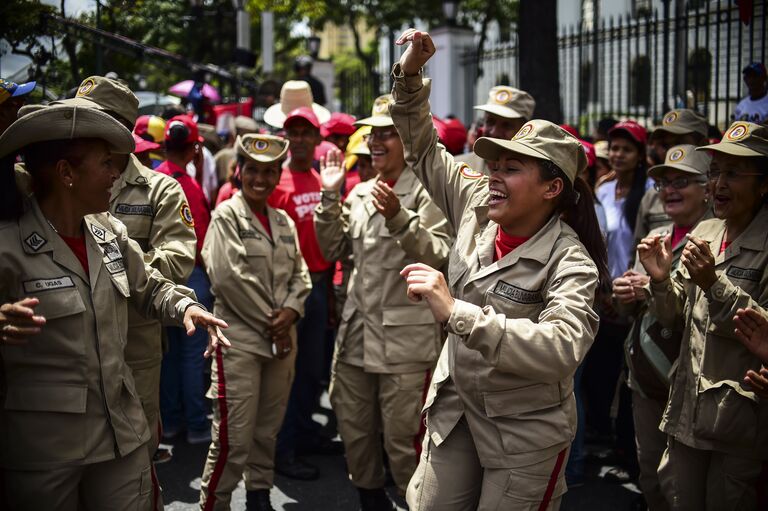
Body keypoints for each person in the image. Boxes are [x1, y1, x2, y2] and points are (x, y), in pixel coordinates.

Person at [390, 29, 607, 510]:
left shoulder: (570, 259)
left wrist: (457, 312)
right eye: (495, 163)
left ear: (552, 189)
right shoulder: (475, 203)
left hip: (524, 433)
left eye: (512, 168)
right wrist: (409, 75)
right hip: (457, 412)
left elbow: (562, 347)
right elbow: (424, 148)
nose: (493, 175)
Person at [0, 104, 228, 511]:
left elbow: (150, 287)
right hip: (45, 451)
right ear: (66, 174)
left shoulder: (109, 231)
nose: (115, 174)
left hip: (122, 432)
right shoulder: (8, 246)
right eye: (105, 163)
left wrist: (186, 307)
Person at [315, 94, 452, 510]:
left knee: (404, 442)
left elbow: (440, 254)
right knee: (355, 433)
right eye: (372, 133)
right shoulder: (360, 193)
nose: (375, 141)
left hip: (405, 344)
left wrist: (399, 217)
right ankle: (370, 500)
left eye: (387, 133)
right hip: (357, 337)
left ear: (408, 139)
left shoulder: (427, 192)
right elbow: (333, 248)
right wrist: (329, 197)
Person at [638, 121, 768, 510]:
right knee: (674, 496)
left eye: (734, 173)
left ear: (764, 185)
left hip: (735, 418)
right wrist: (660, 280)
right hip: (687, 410)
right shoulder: (708, 229)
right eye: (715, 173)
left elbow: (760, 330)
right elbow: (674, 317)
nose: (719, 184)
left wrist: (714, 283)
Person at [199, 134, 312, 511]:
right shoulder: (225, 216)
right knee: (233, 437)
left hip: (281, 340)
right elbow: (228, 277)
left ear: (277, 175)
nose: (260, 179)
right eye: (252, 171)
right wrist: (275, 319)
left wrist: (292, 311)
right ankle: (214, 502)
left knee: (268, 428)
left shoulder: (282, 220)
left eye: (268, 172)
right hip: (240, 342)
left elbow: (301, 274)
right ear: (238, 172)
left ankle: (259, 494)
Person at [613, 145, 712, 511]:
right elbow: (637, 312)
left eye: (681, 181)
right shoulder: (660, 235)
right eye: (664, 182)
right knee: (651, 478)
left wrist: (655, 285)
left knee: (681, 489)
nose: (669, 190)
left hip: (684, 381)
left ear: (707, 187)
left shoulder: (716, 238)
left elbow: (682, 315)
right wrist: (626, 292)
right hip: (645, 381)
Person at [268, 106, 336, 480]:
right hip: (288, 288)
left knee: (312, 371)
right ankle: (284, 449)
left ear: (316, 138)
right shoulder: (275, 183)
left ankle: (305, 433)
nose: (298, 140)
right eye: (292, 133)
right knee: (286, 373)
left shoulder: (322, 180)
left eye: (305, 133)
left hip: (321, 284)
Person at [587, 120, 649, 475]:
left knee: (631, 373)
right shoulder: (604, 188)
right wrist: (602, 288)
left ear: (640, 155)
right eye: (614, 148)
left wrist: (623, 289)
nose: (618, 154)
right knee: (601, 368)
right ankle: (603, 436)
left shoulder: (652, 190)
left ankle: (628, 450)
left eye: (627, 149)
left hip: (633, 292)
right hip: (603, 292)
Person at [156, 114, 215, 445]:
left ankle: (173, 420)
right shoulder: (188, 186)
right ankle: (195, 423)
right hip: (191, 275)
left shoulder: (154, 178)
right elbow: (202, 243)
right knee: (193, 355)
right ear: (193, 149)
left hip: (159, 279)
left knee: (168, 354)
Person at [635, 109, 709, 244]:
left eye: (680, 142)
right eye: (665, 145)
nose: (672, 151)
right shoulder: (652, 195)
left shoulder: (721, 192)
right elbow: (638, 251)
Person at [455, 85, 535, 175]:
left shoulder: (535, 175)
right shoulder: (457, 169)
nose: (494, 132)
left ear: (524, 131)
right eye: (490, 122)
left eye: (506, 125)